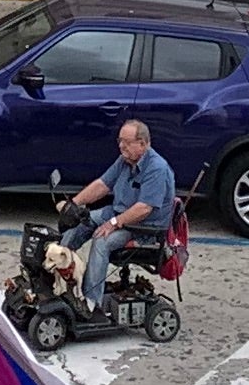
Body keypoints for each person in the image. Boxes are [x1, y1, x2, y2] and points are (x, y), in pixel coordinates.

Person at [67, 120, 179, 315]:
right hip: (118, 214)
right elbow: (102, 184)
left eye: (127, 142)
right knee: (80, 221)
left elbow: (144, 209)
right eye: (120, 141)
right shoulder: (125, 160)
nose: (121, 146)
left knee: (101, 240)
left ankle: (91, 303)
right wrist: (74, 205)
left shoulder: (157, 168)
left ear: (143, 144)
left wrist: (114, 223)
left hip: (142, 227)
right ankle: (60, 269)